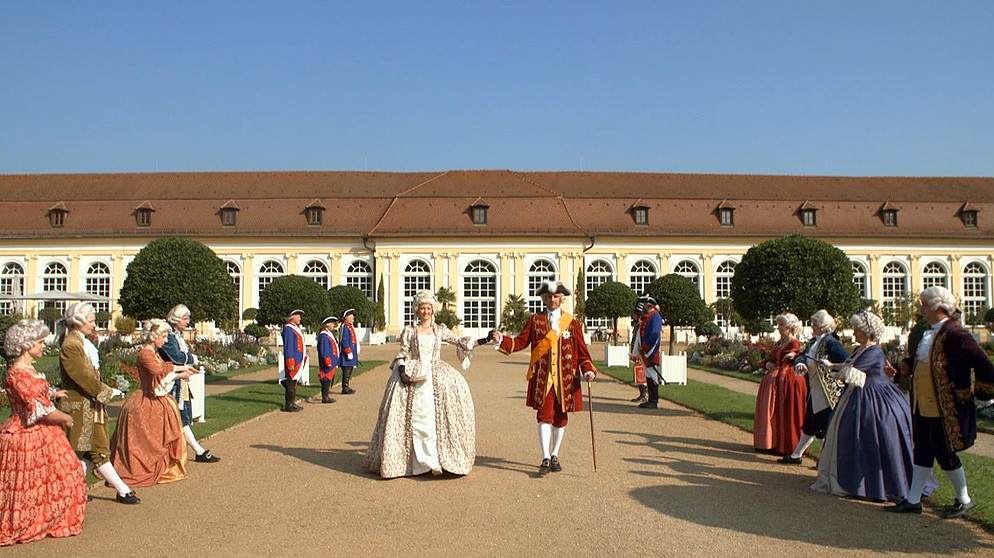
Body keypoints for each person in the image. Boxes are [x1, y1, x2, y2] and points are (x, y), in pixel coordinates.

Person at [888, 286, 994, 518]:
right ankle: (914, 500)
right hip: (924, 404)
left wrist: (981, 394)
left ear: (938, 307)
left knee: (944, 452)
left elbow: (984, 363)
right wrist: (897, 370)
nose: (922, 310)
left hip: (945, 407)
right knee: (923, 451)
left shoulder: (956, 334)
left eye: (925, 306)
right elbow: (916, 362)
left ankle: (964, 499)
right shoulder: (930, 333)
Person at [364, 290, 490, 478]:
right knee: (416, 418)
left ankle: (435, 461)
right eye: (422, 308)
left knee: (435, 418)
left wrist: (486, 339)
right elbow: (403, 354)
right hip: (414, 374)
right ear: (416, 310)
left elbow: (461, 342)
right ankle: (415, 463)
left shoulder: (439, 330)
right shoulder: (409, 331)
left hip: (436, 374)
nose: (425, 312)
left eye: (428, 308)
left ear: (433, 310)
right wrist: (402, 372)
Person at [811, 309, 934, 502]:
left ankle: (879, 483)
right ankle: (854, 479)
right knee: (849, 435)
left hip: (876, 399)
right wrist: (832, 366)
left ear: (867, 331)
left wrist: (836, 373)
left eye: (857, 330)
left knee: (875, 437)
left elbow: (853, 372)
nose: (854, 333)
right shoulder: (860, 349)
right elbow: (847, 365)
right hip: (857, 396)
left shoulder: (874, 351)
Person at [493, 279, 597, 475]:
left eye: (556, 296)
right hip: (543, 377)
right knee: (544, 416)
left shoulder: (572, 323)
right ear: (543, 298)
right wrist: (502, 341)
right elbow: (521, 342)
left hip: (565, 379)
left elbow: (582, 352)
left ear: (561, 298)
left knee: (560, 418)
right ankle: (545, 457)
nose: (552, 300)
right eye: (549, 297)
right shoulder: (535, 321)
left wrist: (588, 370)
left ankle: (555, 453)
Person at [1, 319, 86, 546]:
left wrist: (54, 394)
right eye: (39, 342)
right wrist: (65, 417)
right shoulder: (16, 374)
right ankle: (32, 522)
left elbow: (39, 393)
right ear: (26, 345)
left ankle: (48, 519)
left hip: (44, 433)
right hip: (26, 432)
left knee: (62, 473)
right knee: (34, 481)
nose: (43, 347)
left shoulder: (28, 369)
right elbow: (38, 409)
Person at [57, 302, 139, 504]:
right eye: (91, 321)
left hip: (90, 405)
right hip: (80, 406)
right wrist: (106, 391)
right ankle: (122, 490)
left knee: (92, 451)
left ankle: (71, 489)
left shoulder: (80, 342)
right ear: (79, 321)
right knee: (98, 450)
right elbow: (82, 377)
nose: (94, 325)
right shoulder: (71, 345)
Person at [110, 319, 197, 487]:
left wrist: (182, 370)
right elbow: (157, 374)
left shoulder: (153, 352)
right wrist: (180, 374)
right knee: (149, 440)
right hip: (147, 399)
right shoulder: (145, 354)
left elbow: (163, 366)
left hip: (157, 399)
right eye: (163, 336)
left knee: (163, 435)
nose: (165, 340)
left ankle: (162, 465)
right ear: (154, 336)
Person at [779, 310, 848, 464]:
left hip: (826, 391)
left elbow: (846, 361)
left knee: (816, 425)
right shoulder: (814, 341)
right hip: (816, 389)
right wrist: (800, 363)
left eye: (815, 324)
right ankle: (810, 457)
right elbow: (802, 355)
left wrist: (831, 367)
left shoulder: (831, 342)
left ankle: (812, 458)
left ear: (823, 326)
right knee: (814, 424)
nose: (812, 326)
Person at [160, 304, 220, 463]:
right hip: (169, 383)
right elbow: (177, 357)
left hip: (179, 381)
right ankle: (196, 451)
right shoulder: (168, 335)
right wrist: (192, 358)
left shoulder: (176, 335)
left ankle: (196, 450)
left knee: (182, 419)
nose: (188, 322)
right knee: (178, 419)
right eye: (185, 319)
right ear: (176, 319)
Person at [754, 313, 803, 454]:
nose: (778, 327)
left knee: (777, 411)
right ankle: (768, 441)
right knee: (769, 410)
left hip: (782, 379)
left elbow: (795, 356)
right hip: (771, 379)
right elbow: (771, 357)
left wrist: (791, 357)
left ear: (790, 327)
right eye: (779, 324)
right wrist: (768, 363)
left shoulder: (793, 342)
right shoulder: (780, 342)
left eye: (781, 325)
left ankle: (778, 442)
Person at [278, 309, 308, 412]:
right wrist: (290, 361)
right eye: (297, 316)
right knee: (291, 380)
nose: (300, 318)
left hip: (299, 358)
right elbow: (289, 347)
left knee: (294, 380)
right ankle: (289, 404)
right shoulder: (288, 329)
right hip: (294, 359)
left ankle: (292, 402)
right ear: (291, 317)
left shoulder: (295, 328)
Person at [637, 296, 664, 409]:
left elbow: (654, 334)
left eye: (644, 304)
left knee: (652, 375)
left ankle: (653, 400)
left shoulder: (655, 317)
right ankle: (651, 399)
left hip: (650, 350)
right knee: (649, 375)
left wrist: (646, 347)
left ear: (650, 305)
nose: (643, 306)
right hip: (646, 350)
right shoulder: (649, 317)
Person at [317, 316, 340, 404]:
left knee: (328, 378)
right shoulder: (324, 336)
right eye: (332, 324)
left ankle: (326, 396)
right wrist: (327, 360)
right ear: (327, 325)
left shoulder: (328, 334)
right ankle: (325, 397)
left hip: (332, 360)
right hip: (328, 361)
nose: (333, 325)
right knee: (325, 378)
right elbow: (325, 350)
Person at [628, 298, 647, 403]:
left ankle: (644, 394)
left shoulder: (641, 326)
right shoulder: (637, 326)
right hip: (637, 353)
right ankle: (642, 394)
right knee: (638, 373)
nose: (633, 316)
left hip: (640, 354)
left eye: (634, 314)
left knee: (641, 374)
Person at [339, 308, 360, 394]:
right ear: (346, 317)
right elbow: (344, 340)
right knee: (347, 370)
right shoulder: (345, 326)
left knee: (349, 369)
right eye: (351, 315)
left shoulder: (350, 326)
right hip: (347, 353)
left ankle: (346, 385)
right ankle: (345, 387)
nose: (353, 317)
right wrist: (348, 351)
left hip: (352, 351)